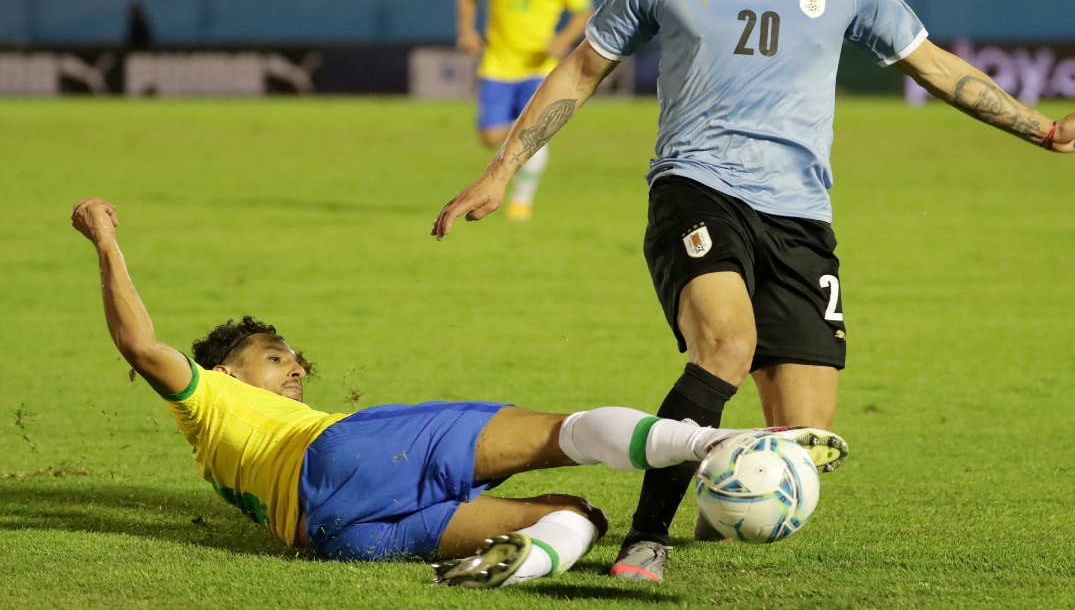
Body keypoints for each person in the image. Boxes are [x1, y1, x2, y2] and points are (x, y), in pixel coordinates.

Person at [432, 0, 1075, 584]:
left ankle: (712, 514)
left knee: (798, 442)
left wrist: (1045, 128)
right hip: (695, 187)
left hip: (800, 216)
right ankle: (644, 539)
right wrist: (503, 168)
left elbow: (934, 66)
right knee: (724, 344)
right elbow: (580, 69)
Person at [69, 197, 839, 589]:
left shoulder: (228, 455)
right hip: (344, 457)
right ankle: (721, 444)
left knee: (578, 518)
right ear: (228, 373)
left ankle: (527, 564)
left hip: (333, 537)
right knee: (563, 433)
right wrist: (107, 239)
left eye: (296, 358)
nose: (295, 367)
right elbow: (141, 344)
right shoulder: (208, 401)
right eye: (275, 358)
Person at [456, 0, 594, 221]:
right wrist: (465, 29)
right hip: (497, 65)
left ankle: (522, 199)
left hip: (539, 67)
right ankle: (526, 142)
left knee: (535, 129)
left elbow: (583, 10)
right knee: (490, 137)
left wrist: (562, 40)